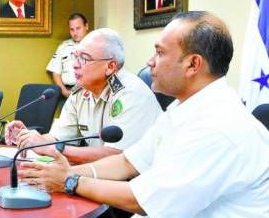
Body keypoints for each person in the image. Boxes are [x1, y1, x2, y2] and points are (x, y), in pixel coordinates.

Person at [18, 11, 269, 217]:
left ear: (193, 64)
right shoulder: (184, 107)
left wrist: (70, 181)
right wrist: (66, 174)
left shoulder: (217, 127)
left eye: (160, 53)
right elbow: (128, 161)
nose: (149, 62)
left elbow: (145, 201)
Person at [5, 28, 162, 164]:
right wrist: (30, 139)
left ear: (110, 66)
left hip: (137, 184)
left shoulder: (131, 93)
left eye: (84, 58)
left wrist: (51, 148)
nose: (75, 64)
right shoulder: (81, 91)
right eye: (75, 56)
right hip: (101, 176)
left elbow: (117, 157)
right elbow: (58, 138)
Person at [46, 13, 89, 99]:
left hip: (89, 92)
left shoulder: (96, 45)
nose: (75, 33)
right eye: (72, 29)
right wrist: (64, 91)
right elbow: (56, 73)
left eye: (78, 28)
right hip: (68, 92)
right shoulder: (63, 46)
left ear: (86, 26)